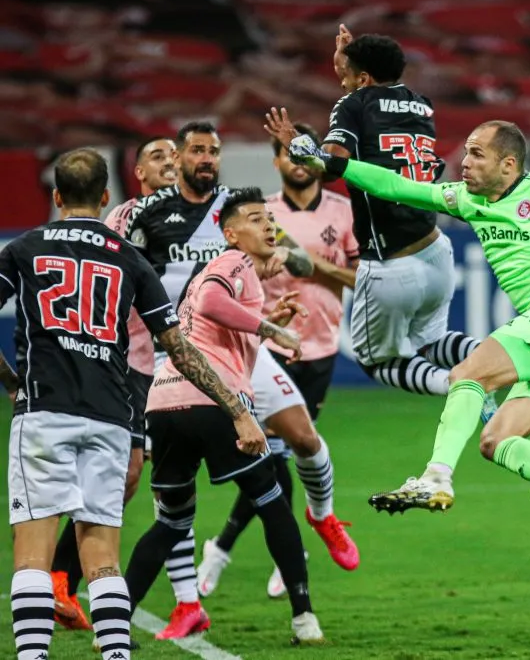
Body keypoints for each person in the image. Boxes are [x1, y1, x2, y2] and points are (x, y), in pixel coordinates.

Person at [274, 115, 530, 512]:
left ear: (508, 164)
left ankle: (435, 477)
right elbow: (396, 186)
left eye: (477, 155)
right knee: (495, 441)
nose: (465, 163)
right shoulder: (466, 199)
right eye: (466, 154)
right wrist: (327, 161)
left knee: (467, 375)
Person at [2, 149, 265, 660]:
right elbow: (178, 346)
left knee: (32, 555)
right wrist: (234, 408)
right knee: (101, 558)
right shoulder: (128, 256)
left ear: (56, 197)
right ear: (106, 197)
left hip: (43, 414)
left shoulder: (23, 249)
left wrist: (12, 383)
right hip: (110, 419)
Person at [124, 121, 356, 637]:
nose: (268, 224)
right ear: (231, 231)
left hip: (169, 394)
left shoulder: (247, 266)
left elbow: (217, 323)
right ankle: (302, 614)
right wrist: (272, 329)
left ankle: (114, 621)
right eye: (257, 219)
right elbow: (208, 302)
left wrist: (275, 324)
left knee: (170, 521)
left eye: (268, 217)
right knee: (272, 501)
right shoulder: (224, 257)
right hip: (208, 393)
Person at [198, 123, 360, 599]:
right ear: (276, 162)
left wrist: (306, 260)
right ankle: (282, 553)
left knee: (285, 455)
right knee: (272, 454)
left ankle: (224, 546)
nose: (294, 162)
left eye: (301, 154)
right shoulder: (260, 214)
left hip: (322, 346)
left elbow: (358, 278)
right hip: (265, 348)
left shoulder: (343, 211)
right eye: (285, 154)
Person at [303, 25, 495, 415]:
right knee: (431, 342)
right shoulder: (421, 104)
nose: (341, 81)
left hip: (390, 260)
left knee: (379, 361)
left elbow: (326, 168)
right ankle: (498, 363)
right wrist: (349, 70)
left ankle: (459, 384)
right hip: (435, 248)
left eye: (345, 75)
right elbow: (376, 112)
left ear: (363, 78)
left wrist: (300, 146)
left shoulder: (353, 104)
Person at [49, 136, 180, 633]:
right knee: (123, 474)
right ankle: (62, 577)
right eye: (157, 156)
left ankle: (185, 594)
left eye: (175, 153)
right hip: (129, 360)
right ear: (139, 174)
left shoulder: (204, 216)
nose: (169, 161)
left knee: (138, 477)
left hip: (171, 362)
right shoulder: (126, 217)